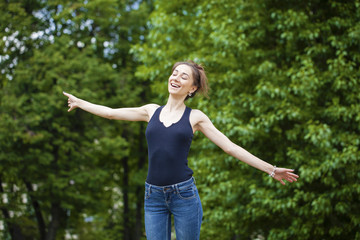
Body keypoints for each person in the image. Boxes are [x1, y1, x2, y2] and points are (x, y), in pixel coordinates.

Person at [63, 60, 299, 240]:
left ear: (192, 87)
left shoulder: (195, 117)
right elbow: (111, 113)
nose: (175, 77)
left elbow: (230, 147)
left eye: (183, 76)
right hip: (152, 196)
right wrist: (80, 102)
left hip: (184, 196)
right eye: (174, 73)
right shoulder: (150, 111)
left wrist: (271, 169)